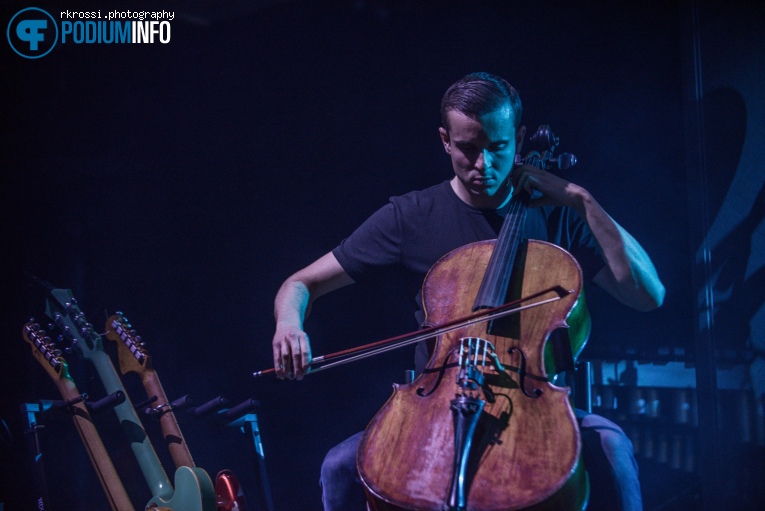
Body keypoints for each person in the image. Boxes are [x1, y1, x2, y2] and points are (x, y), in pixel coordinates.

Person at [271, 72, 665, 511]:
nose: (483, 165)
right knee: (338, 466)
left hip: (533, 406)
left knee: (613, 447)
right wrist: (289, 325)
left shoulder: (558, 217)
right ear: (445, 140)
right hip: (431, 409)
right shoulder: (410, 217)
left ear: (517, 138)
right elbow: (300, 284)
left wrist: (582, 200)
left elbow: (648, 296)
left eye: (498, 148)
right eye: (467, 149)